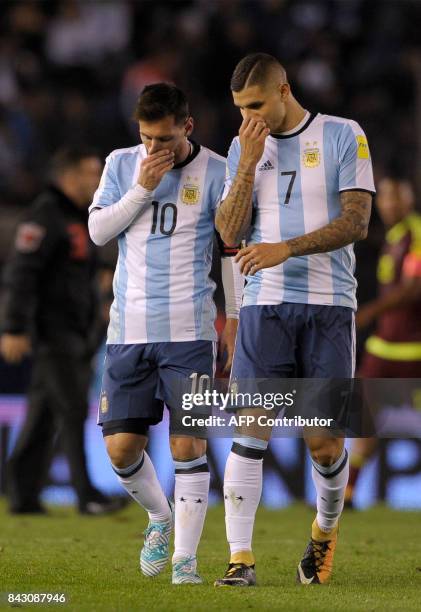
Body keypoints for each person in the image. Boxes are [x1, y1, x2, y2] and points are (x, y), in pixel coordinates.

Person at [213, 53, 375, 587]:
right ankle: (241, 560)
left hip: (329, 305)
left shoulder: (341, 135)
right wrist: (243, 164)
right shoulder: (243, 147)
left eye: (255, 105)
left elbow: (357, 222)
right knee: (250, 428)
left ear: (284, 89)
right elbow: (228, 233)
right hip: (265, 304)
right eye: (240, 109)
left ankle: (323, 536)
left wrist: (288, 247)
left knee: (324, 443)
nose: (247, 118)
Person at [88, 83, 241, 585]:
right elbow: (98, 232)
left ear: (187, 127)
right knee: (122, 450)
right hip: (128, 329)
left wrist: (233, 318)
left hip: (189, 331)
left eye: (165, 140)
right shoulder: (120, 164)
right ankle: (159, 517)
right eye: (147, 138)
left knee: (188, 446)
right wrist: (142, 189)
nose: (155, 150)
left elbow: (230, 252)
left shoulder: (217, 171)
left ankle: (185, 561)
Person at [1, 146, 125, 515]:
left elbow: (72, 269)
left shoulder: (74, 217)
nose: (96, 180)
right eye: (90, 172)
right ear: (68, 176)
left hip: (73, 330)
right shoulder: (46, 215)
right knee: (72, 409)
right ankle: (86, 494)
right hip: (51, 332)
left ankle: (22, 496)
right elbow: (22, 272)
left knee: (43, 414)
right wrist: (14, 327)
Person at [345, 175, 421, 507]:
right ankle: (346, 493)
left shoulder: (417, 233)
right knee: (364, 416)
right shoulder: (394, 236)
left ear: (409, 199)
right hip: (383, 346)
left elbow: (413, 288)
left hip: (412, 349)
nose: (390, 204)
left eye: (396, 197)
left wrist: (371, 310)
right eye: (385, 198)